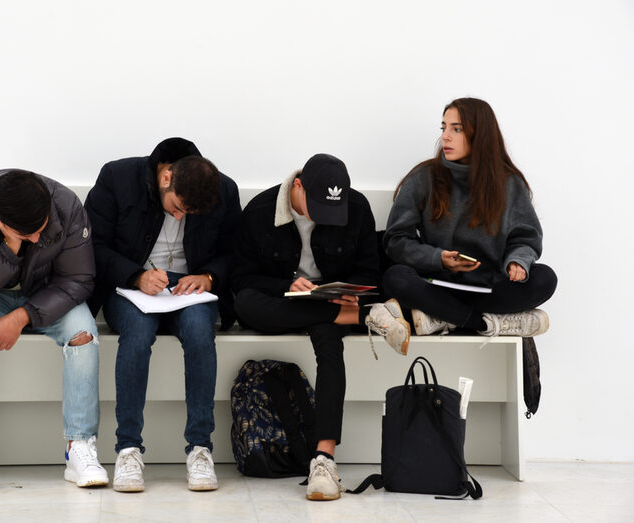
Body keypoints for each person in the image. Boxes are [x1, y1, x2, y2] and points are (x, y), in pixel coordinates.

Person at [231, 153, 410, 501]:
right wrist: (287, 282)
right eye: (317, 208)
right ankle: (366, 318)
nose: (325, 219)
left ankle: (324, 459)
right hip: (282, 302)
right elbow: (241, 278)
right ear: (297, 187)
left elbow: (369, 272)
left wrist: (345, 294)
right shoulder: (260, 211)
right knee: (246, 305)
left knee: (330, 344)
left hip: (330, 303)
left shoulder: (354, 207)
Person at [0, 169, 108, 495]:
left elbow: (79, 280)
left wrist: (22, 316)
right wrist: (9, 247)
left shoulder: (65, 206)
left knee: (83, 334)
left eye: (38, 231)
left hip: (45, 294)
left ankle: (79, 447)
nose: (33, 239)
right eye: (22, 233)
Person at [84, 137, 241, 492]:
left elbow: (236, 250)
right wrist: (135, 276)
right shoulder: (117, 177)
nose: (180, 216)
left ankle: (200, 448)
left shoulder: (222, 190)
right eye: (178, 207)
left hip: (191, 288)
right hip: (129, 285)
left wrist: (209, 276)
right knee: (137, 335)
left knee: (202, 334)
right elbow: (93, 244)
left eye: (189, 214)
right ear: (166, 177)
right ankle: (128, 449)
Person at [382, 97, 557, 337]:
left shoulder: (509, 184)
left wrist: (518, 261)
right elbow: (396, 240)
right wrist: (438, 258)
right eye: (444, 128)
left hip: (489, 287)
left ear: (480, 134)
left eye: (457, 129)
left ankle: (445, 318)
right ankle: (486, 324)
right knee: (395, 278)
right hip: (438, 286)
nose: (445, 136)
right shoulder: (424, 177)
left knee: (544, 278)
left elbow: (526, 238)